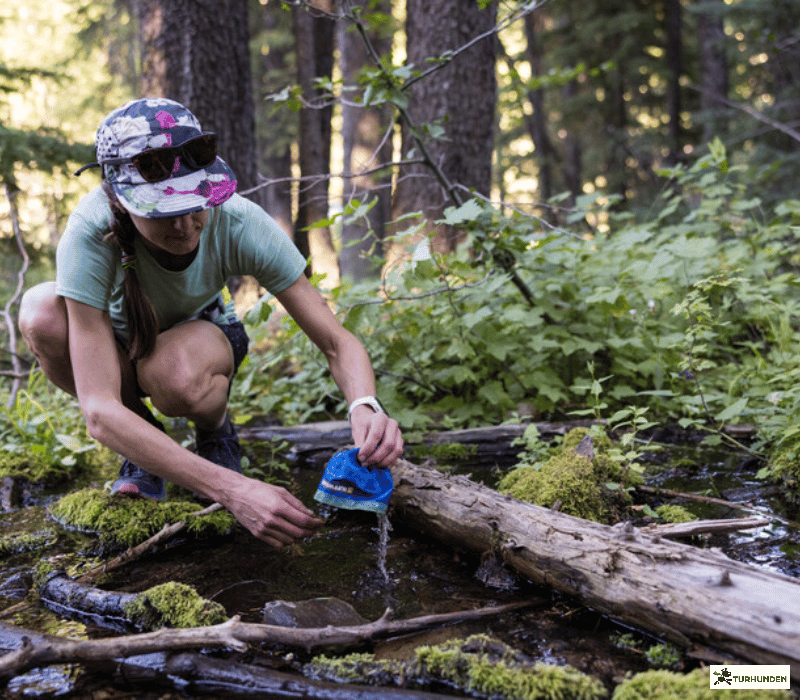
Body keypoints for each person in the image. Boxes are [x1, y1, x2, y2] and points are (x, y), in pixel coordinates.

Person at [18, 98, 404, 549]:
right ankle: (143, 447)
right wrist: (232, 489)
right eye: (162, 210)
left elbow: (337, 342)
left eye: (196, 202)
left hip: (201, 343)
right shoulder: (90, 232)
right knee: (41, 310)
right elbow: (99, 411)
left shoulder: (239, 223)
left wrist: (366, 405)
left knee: (174, 373)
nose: (184, 224)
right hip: (119, 347)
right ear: (120, 201)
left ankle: (215, 431)